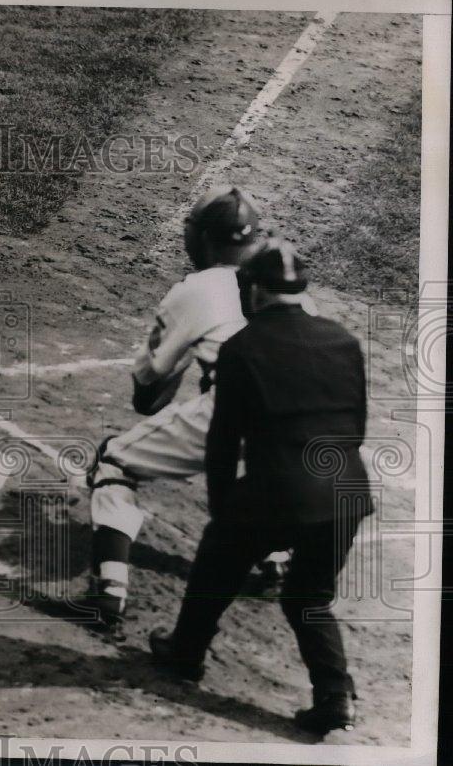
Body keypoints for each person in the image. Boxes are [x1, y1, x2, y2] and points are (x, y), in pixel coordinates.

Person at [149, 239, 374, 736]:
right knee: (309, 596)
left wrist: (222, 511)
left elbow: (225, 441)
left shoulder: (242, 347)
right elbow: (355, 427)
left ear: (253, 291)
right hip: (347, 492)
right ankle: (335, 696)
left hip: (279, 491)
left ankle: (185, 654)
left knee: (217, 556)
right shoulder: (343, 339)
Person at [83, 186, 293, 624]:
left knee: (114, 460)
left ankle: (109, 592)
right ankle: (276, 559)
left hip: (233, 409)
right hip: (307, 415)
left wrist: (180, 360)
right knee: (253, 468)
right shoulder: (284, 277)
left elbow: (147, 395)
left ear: (202, 239)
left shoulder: (196, 288)